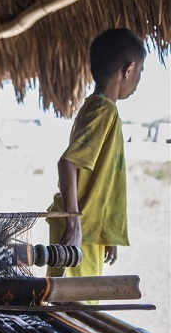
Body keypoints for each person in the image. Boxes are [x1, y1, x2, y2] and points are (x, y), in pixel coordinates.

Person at [46, 28, 146, 278]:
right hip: (80, 233)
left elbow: (100, 178)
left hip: (89, 230)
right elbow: (68, 163)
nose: (138, 81)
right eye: (141, 72)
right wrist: (74, 224)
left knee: (71, 305)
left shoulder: (96, 108)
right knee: (73, 310)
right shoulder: (104, 110)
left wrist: (106, 232)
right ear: (129, 69)